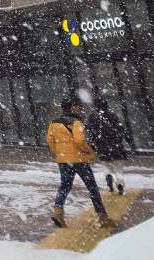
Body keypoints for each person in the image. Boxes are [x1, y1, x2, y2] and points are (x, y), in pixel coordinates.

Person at [47, 96, 113, 227]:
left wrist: (61, 153)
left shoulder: (53, 122)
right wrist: (90, 152)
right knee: (92, 187)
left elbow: (50, 141)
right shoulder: (77, 122)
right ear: (71, 107)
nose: (80, 108)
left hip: (64, 161)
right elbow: (80, 141)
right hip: (79, 160)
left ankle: (58, 212)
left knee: (65, 186)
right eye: (77, 106)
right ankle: (102, 216)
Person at [88, 96, 133, 196]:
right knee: (118, 166)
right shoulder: (113, 116)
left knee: (106, 164)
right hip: (116, 145)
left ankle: (108, 177)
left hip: (102, 146)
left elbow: (91, 133)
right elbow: (120, 129)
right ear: (106, 106)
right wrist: (128, 140)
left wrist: (92, 145)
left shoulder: (93, 117)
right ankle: (120, 185)